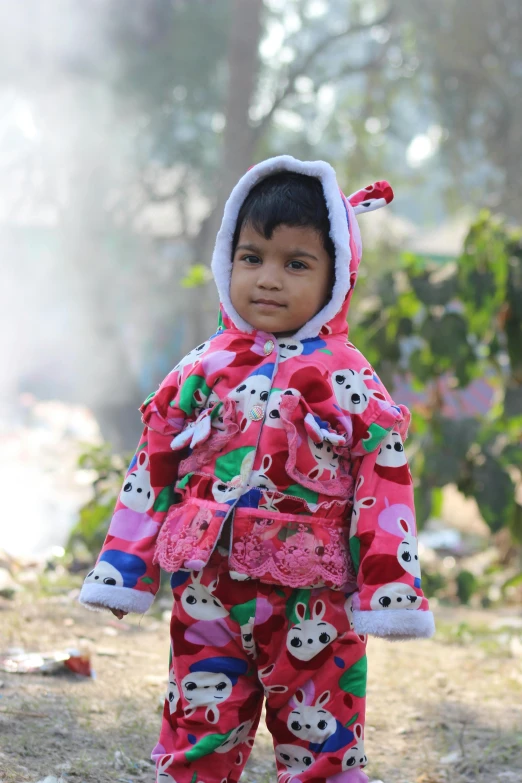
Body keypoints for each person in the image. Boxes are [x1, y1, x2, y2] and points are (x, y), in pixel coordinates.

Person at [79, 155, 435, 783]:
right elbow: (153, 465)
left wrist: (387, 589)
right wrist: (125, 569)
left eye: (296, 264)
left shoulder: (346, 378)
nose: (268, 279)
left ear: (337, 276)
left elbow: (385, 484)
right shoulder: (202, 367)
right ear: (227, 260)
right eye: (252, 257)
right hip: (207, 594)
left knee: (321, 745)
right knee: (198, 731)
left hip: (316, 604)